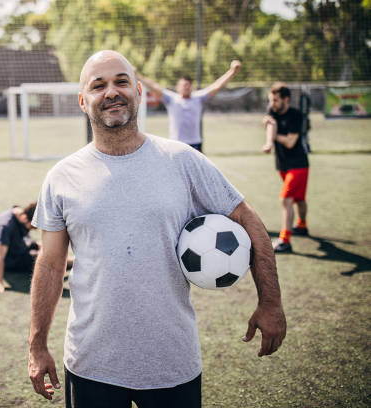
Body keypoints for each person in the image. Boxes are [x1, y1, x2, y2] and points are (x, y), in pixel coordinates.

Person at [27, 50, 286, 407]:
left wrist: (270, 302)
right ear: (83, 101)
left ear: (138, 90)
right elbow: (51, 264)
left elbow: (248, 218)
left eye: (121, 81)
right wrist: (37, 345)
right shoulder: (62, 177)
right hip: (90, 363)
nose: (111, 92)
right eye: (98, 85)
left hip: (172, 363)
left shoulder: (182, 160)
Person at [136, 60, 241, 152]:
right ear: (178, 87)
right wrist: (137, 74)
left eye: (188, 85)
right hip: (175, 144)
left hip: (195, 144)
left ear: (192, 87)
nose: (186, 87)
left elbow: (216, 86)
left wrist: (232, 72)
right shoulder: (171, 99)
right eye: (184, 85)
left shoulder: (199, 98)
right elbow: (154, 87)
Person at [262, 82, 310, 253]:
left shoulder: (296, 115)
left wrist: (273, 137)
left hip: (299, 165)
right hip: (282, 165)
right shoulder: (272, 112)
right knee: (299, 199)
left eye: (275, 100)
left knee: (286, 198)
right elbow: (270, 125)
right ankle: (302, 225)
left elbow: (290, 142)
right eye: (270, 100)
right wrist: (269, 141)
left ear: (286, 99)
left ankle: (285, 240)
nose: (272, 104)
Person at [0, 202, 39, 296]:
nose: (34, 229)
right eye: (33, 227)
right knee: (47, 259)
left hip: (20, 245)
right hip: (13, 259)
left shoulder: (19, 211)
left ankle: (71, 260)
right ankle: (70, 261)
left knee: (45, 249)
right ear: (25, 218)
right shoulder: (4, 226)